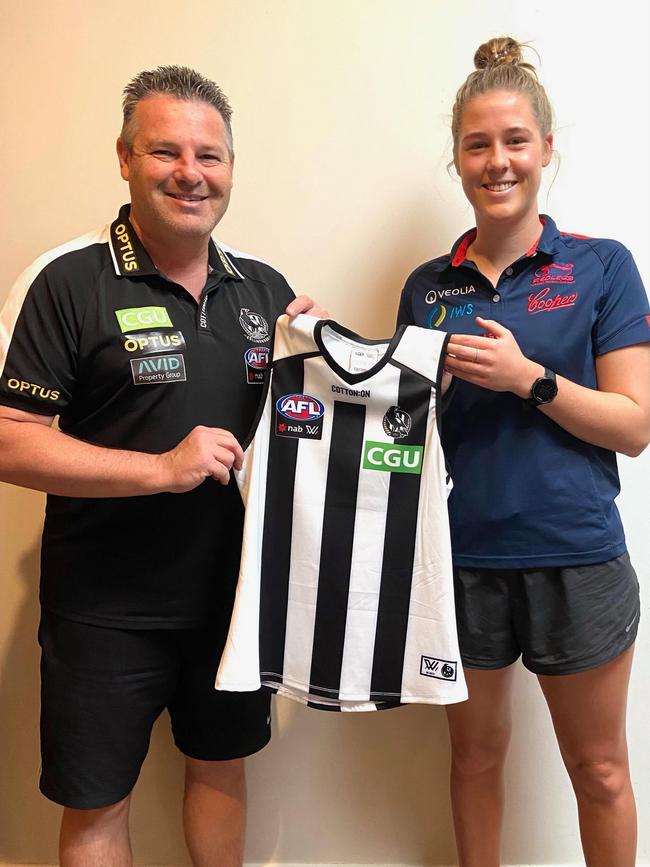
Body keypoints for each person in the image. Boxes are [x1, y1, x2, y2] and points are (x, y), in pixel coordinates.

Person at [0, 66, 324, 867]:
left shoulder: (264, 288)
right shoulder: (65, 281)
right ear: (124, 158)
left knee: (220, 772)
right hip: (104, 607)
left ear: (231, 168)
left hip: (231, 600)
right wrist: (160, 468)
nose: (190, 172)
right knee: (97, 800)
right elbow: (9, 437)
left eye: (209, 156)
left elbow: (299, 433)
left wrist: (327, 364)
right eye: (166, 151)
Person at [397, 37, 650, 867]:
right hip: (458, 560)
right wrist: (324, 352)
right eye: (477, 144)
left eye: (514, 141)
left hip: (576, 558)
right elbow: (404, 425)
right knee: (472, 758)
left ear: (546, 149)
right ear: (458, 159)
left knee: (602, 769)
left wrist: (528, 378)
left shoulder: (602, 266)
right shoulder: (427, 286)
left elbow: (635, 424)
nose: (496, 161)